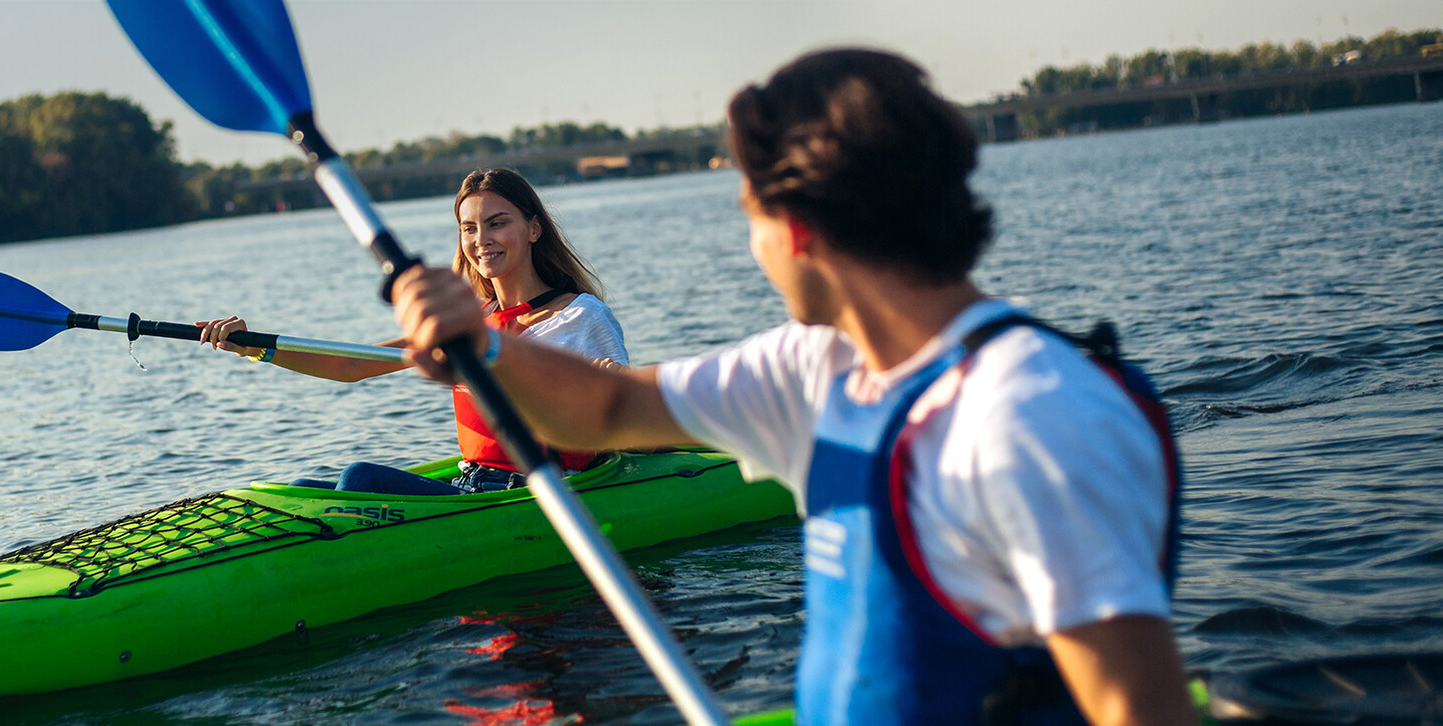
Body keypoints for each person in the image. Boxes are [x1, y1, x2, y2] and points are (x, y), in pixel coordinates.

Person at [388, 50, 1196, 726]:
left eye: (751, 215)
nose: (754, 246)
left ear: (798, 229)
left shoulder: (1030, 414)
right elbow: (608, 408)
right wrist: (479, 346)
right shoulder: (810, 366)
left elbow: (1134, 706)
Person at [198, 167, 628, 495]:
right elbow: (350, 365)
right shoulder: (468, 322)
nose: (481, 240)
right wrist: (253, 347)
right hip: (473, 485)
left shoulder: (582, 316)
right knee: (303, 490)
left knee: (359, 478)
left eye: (497, 223)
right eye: (469, 228)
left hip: (538, 491)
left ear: (534, 229)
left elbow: (624, 432)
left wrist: (608, 393)